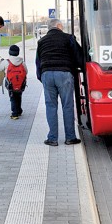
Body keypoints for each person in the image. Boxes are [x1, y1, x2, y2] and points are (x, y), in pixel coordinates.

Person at [36, 18, 83, 146]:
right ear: (59, 26)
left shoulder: (41, 41)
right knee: (67, 106)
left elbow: (38, 62)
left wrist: (42, 77)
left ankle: (52, 138)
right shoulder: (68, 38)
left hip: (47, 74)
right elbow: (79, 57)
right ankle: (70, 138)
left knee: (51, 106)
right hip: (64, 74)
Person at [0, 44, 27, 120]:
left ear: (9, 52)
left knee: (12, 97)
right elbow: (26, 71)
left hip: (11, 84)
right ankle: (19, 110)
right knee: (18, 96)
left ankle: (14, 113)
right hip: (20, 84)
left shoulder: (6, 62)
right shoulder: (22, 62)